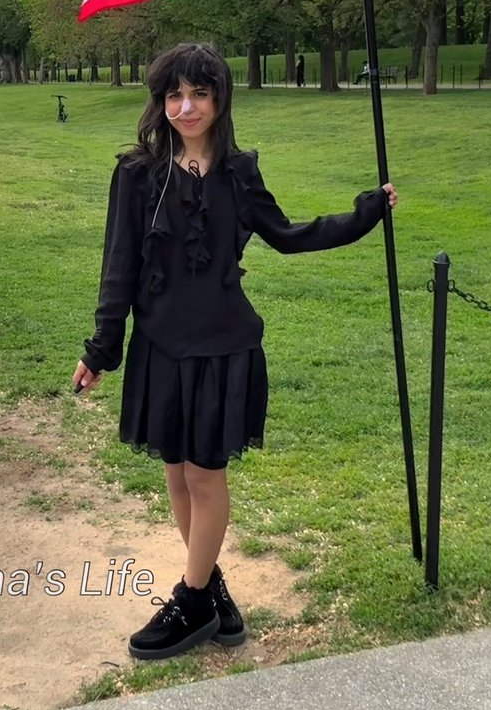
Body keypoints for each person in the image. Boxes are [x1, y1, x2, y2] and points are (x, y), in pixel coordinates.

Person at [72, 42, 398, 663]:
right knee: (175, 470)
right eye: (173, 95)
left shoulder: (239, 172)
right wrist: (101, 348)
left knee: (204, 472)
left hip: (225, 346)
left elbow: (288, 236)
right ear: (160, 101)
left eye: (198, 94)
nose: (185, 106)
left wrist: (365, 215)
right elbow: (119, 268)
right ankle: (212, 590)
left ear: (219, 100)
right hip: (160, 346)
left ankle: (192, 600)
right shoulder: (137, 173)